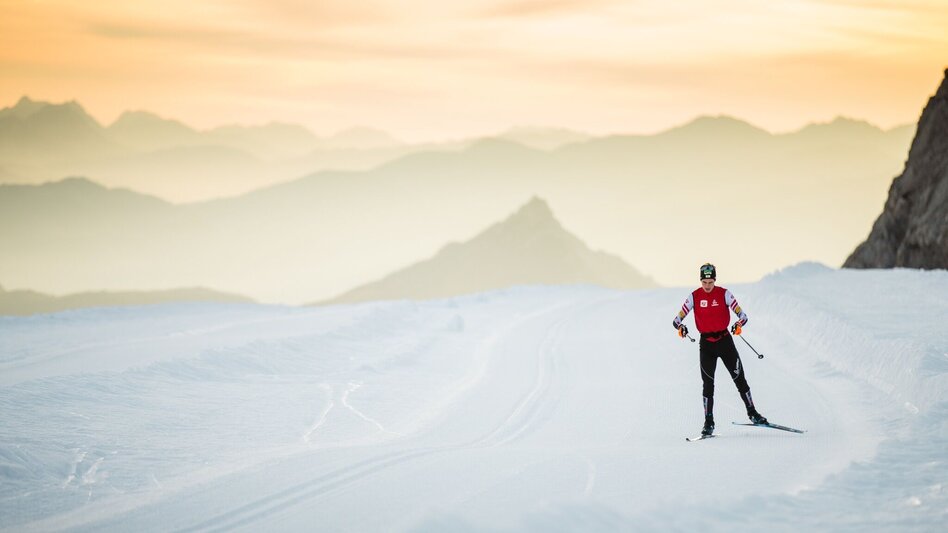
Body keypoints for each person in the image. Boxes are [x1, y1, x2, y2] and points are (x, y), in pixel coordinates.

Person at [672, 263, 768, 436]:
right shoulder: (693, 297)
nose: (707, 286)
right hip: (706, 345)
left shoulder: (724, 294)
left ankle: (753, 413)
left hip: (725, 342)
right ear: (701, 280)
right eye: (704, 282)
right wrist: (681, 327)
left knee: (740, 379)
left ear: (715, 279)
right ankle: (708, 422)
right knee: (708, 385)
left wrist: (738, 324)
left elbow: (743, 315)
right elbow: (677, 319)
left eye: (710, 281)